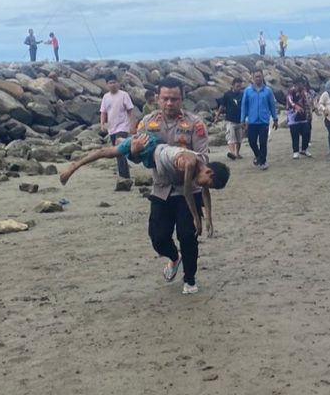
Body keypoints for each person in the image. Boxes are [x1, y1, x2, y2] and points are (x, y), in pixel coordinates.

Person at [59, 133, 230, 235]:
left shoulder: (202, 165)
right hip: (148, 148)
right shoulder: (191, 163)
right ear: (208, 172)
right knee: (108, 152)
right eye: (209, 183)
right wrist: (196, 219)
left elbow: (205, 192)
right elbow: (187, 192)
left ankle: (123, 141)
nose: (205, 187)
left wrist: (209, 219)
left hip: (156, 153)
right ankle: (74, 167)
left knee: (125, 149)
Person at [136, 78, 210, 294]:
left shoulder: (195, 124)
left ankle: (190, 278)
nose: (169, 103)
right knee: (158, 237)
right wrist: (135, 150)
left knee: (188, 236)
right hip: (161, 188)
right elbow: (136, 154)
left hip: (188, 189)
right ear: (157, 98)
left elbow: (204, 156)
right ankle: (173, 257)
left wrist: (184, 160)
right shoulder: (147, 123)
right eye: (165, 98)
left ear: (182, 98)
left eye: (174, 99)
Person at [240, 69, 279, 170]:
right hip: (252, 121)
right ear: (252, 78)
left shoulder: (268, 91)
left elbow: (272, 106)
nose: (258, 78)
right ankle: (258, 156)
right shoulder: (248, 91)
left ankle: (263, 162)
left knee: (263, 142)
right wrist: (242, 120)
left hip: (264, 121)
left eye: (259, 76)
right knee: (252, 142)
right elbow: (244, 106)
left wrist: (275, 119)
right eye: (256, 76)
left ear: (262, 77)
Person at [100, 73, 136, 180]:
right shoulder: (106, 97)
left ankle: (124, 176)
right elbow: (103, 112)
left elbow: (130, 111)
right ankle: (123, 174)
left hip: (123, 126)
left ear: (118, 83)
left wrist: (131, 125)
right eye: (110, 83)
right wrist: (102, 124)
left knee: (119, 150)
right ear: (107, 85)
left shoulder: (124, 95)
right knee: (117, 152)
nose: (112, 85)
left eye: (114, 82)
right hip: (112, 128)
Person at [214, 77, 245, 160]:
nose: (239, 88)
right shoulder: (227, 94)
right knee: (231, 137)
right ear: (233, 85)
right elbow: (222, 106)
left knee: (239, 139)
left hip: (240, 120)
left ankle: (237, 153)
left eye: (240, 86)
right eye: (237, 86)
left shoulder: (242, 94)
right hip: (230, 120)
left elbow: (246, 106)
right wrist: (217, 116)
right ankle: (232, 153)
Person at [286, 78, 311, 159]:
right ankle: (295, 151)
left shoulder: (304, 92)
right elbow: (290, 101)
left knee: (306, 132)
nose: (301, 86)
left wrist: (309, 113)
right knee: (295, 135)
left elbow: (307, 102)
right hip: (293, 117)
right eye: (300, 84)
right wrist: (296, 106)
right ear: (296, 84)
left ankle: (304, 149)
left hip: (303, 116)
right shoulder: (291, 91)